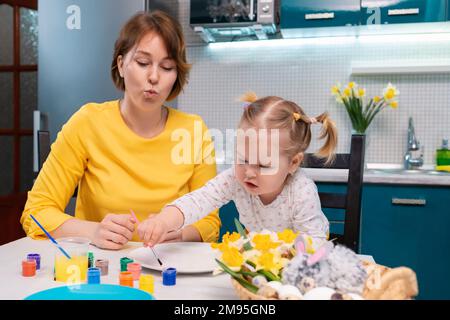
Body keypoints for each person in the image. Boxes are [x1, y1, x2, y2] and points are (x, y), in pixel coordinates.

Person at [20, 11, 220, 250]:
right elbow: (36, 212)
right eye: (143, 63)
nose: (154, 77)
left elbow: (209, 222)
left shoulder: (194, 131)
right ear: (121, 64)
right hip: (100, 269)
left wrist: (178, 235)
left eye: (167, 67)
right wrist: (92, 231)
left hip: (168, 267)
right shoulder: (88, 123)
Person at [137, 92, 338, 248]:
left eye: (263, 165)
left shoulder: (301, 191)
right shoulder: (234, 179)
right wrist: (163, 221)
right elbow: (199, 200)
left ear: (293, 163)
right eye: (242, 159)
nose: (249, 172)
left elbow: (315, 245)